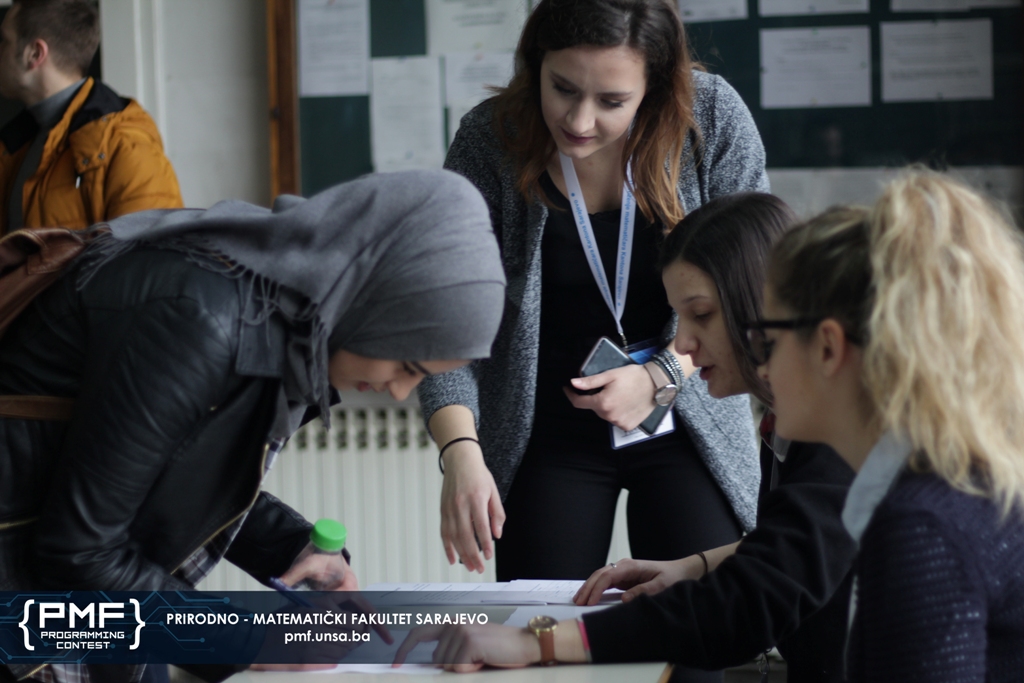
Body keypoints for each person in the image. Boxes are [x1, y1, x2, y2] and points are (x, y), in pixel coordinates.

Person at [0, 169, 505, 683]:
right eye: (407, 366)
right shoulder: (198, 318)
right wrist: (253, 640)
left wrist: (296, 548)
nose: (399, 391)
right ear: (375, 303)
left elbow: (170, 469)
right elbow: (79, 549)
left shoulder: (276, 305)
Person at [394, 193, 857, 681]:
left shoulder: (841, 436)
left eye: (701, 315)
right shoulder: (799, 419)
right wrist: (693, 567)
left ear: (761, 305)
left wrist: (536, 640)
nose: (682, 345)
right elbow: (797, 549)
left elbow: (747, 604)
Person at [418, 0, 766, 583]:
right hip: (549, 432)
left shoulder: (710, 117)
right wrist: (460, 451)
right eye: (562, 88)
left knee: (699, 619)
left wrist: (660, 376)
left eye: (611, 101)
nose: (580, 121)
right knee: (544, 622)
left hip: (688, 411)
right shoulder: (490, 139)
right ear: (536, 64)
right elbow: (444, 316)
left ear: (655, 86)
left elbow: (751, 282)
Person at [757, 171, 1024, 681]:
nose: (763, 366)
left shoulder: (922, 525)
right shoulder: (954, 479)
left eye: (768, 339)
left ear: (828, 347)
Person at [0, 0, 182, 235]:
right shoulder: (17, 144)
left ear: (35, 53)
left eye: (4, 41)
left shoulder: (125, 144)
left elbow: (154, 255)